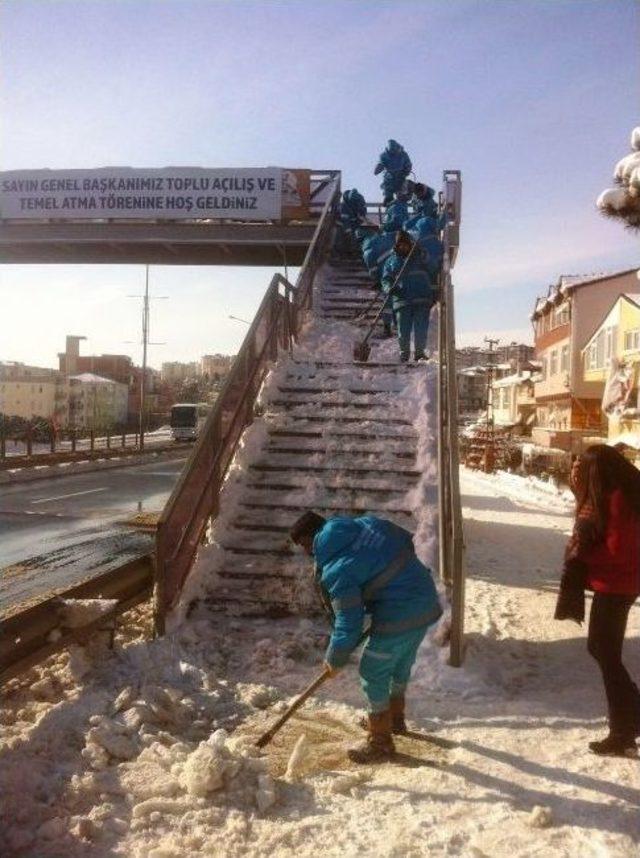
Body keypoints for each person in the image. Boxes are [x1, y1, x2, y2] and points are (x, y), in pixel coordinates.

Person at [290, 511, 442, 763]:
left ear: (311, 539)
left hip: (400, 612)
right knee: (400, 661)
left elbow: (349, 621)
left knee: (373, 670)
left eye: (305, 545)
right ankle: (394, 718)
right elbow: (405, 540)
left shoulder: (336, 569)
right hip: (425, 597)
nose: (308, 552)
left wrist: (334, 658)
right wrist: (391, 581)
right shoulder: (367, 524)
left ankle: (380, 741)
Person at [555, 444, 640, 757]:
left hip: (619, 586)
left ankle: (624, 729)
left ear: (599, 470)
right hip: (618, 585)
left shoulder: (619, 499)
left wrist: (584, 557)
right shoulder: (616, 492)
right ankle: (627, 724)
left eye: (585, 467)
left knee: (605, 652)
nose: (581, 473)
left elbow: (619, 552)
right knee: (604, 651)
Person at [381, 229, 441, 362]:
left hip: (421, 298)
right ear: (397, 246)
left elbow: (433, 268)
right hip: (402, 299)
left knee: (421, 329)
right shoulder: (391, 261)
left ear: (410, 244)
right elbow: (386, 279)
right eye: (400, 245)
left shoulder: (420, 255)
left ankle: (419, 353)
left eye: (405, 244)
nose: (403, 247)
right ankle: (404, 354)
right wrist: (388, 288)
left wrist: (424, 256)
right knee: (403, 331)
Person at [357, 225, 396, 337]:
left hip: (387, 274)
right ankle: (398, 325)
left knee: (387, 301)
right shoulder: (383, 237)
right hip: (399, 267)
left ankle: (387, 329)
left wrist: (377, 281)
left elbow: (373, 270)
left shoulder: (368, 252)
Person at [374, 140, 412, 205]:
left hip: (400, 177)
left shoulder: (403, 154)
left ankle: (402, 210)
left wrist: (406, 171)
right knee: (388, 197)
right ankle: (389, 210)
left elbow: (408, 164)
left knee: (402, 197)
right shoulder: (384, 155)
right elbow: (381, 163)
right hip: (389, 178)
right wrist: (379, 167)